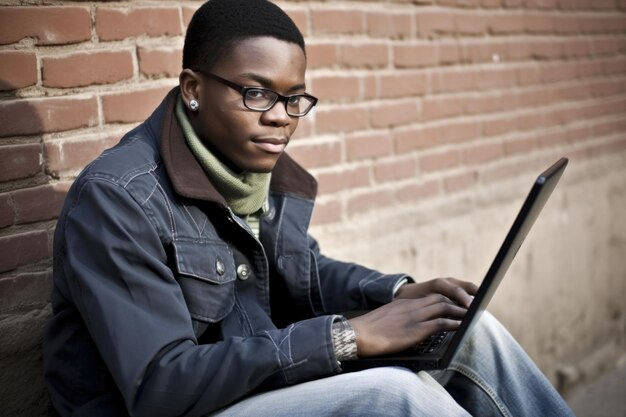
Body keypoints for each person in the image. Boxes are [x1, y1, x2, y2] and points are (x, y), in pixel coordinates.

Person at [43, 1, 575, 416]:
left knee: (469, 332)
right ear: (193, 89)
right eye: (257, 94)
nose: (281, 118)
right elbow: (159, 385)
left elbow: (302, 273)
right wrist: (346, 337)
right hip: (183, 408)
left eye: (294, 98)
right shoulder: (118, 199)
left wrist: (397, 294)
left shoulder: (251, 173)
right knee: (397, 398)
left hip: (254, 380)